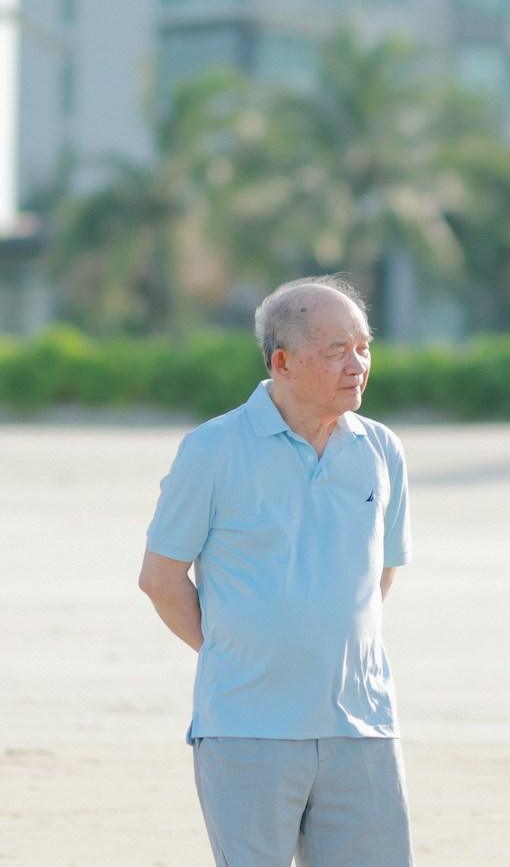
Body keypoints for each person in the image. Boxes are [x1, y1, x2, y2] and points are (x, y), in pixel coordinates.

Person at [138, 276, 414, 867]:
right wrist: (240, 650)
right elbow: (160, 579)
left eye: (363, 347)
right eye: (336, 350)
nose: (357, 364)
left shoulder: (382, 450)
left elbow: (380, 576)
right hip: (247, 728)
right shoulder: (212, 449)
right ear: (282, 361)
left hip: (362, 726)